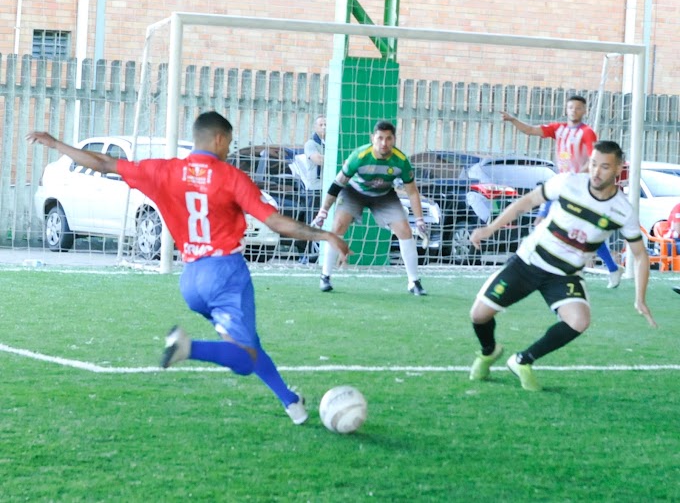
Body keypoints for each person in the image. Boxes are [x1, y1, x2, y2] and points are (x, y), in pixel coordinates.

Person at [26, 111, 351, 425]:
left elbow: (105, 163)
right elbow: (276, 222)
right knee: (244, 359)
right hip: (226, 274)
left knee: (249, 344)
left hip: (192, 279)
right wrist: (324, 234)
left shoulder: (164, 171)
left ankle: (291, 402)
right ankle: (187, 347)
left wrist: (58, 145)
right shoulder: (230, 177)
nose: (229, 150)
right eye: (229, 143)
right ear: (220, 139)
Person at [467, 140, 657, 391]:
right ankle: (489, 352)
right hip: (529, 262)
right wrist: (490, 228)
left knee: (579, 321)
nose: (596, 172)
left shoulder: (622, 210)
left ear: (618, 168)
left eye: (604, 167)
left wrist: (640, 298)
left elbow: (641, 255)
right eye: (593, 164)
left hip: (565, 275)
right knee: (478, 316)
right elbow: (526, 202)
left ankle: (522, 360)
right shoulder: (568, 182)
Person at [501, 95, 623, 289]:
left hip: (579, 188)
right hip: (560, 186)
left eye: (577, 108)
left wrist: (576, 177)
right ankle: (526, 262)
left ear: (584, 111)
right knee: (541, 220)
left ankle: (612, 268)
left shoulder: (587, 132)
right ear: (566, 110)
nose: (573, 111)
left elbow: (594, 159)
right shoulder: (558, 129)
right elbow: (531, 130)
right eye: (570, 107)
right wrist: (514, 120)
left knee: (585, 232)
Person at [312, 120, 428, 295]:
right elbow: (337, 184)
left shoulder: (401, 161)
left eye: (388, 139)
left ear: (394, 139)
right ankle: (325, 276)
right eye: (380, 138)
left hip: (383, 196)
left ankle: (414, 282)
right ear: (372, 138)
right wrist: (323, 212)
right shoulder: (359, 156)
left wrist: (419, 220)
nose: (384, 143)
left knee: (405, 230)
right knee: (338, 226)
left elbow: (412, 192)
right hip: (354, 192)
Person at [295, 115, 326, 263]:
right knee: (311, 221)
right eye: (321, 124)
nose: (324, 127)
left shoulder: (331, 144)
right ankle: (304, 253)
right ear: (315, 127)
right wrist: (336, 158)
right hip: (315, 188)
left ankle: (321, 254)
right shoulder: (311, 144)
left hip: (329, 189)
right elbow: (317, 159)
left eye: (326, 124)